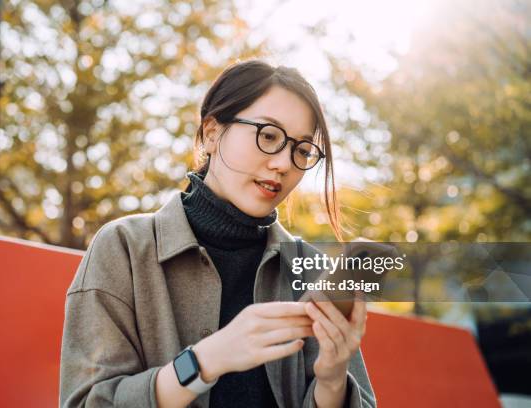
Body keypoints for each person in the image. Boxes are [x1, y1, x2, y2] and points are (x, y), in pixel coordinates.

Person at [59, 59, 376, 408]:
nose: (284, 164)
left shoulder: (310, 270)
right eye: (268, 135)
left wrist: (332, 383)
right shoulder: (124, 248)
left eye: (301, 150)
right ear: (211, 133)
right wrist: (206, 360)